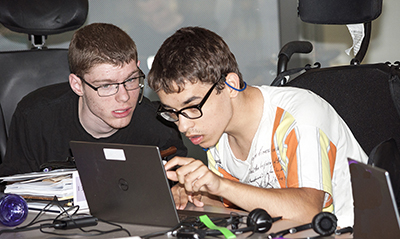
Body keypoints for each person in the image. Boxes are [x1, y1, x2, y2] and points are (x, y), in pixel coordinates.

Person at [147, 26, 368, 227]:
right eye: (173, 113)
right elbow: (233, 201)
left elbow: (308, 211)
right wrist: (194, 192)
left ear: (230, 86)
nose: (184, 126)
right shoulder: (216, 131)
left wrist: (220, 185)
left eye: (193, 107)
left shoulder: (299, 118)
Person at [0, 23, 187, 177]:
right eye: (106, 85)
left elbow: (182, 197)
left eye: (131, 80)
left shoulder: (160, 125)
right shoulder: (35, 117)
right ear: (77, 85)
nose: (124, 97)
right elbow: (12, 191)